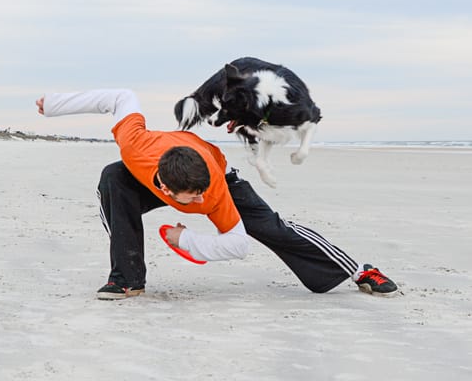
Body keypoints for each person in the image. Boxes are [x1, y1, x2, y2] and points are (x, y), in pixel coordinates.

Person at [36, 89, 398, 300]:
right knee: (113, 177)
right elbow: (121, 96)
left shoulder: (211, 192)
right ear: (163, 187)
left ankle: (359, 271)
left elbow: (238, 244)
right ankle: (127, 279)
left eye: (198, 198)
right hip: (158, 169)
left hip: (223, 177)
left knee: (273, 228)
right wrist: (55, 104)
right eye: (187, 199)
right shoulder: (135, 145)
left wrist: (187, 239)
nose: (195, 205)